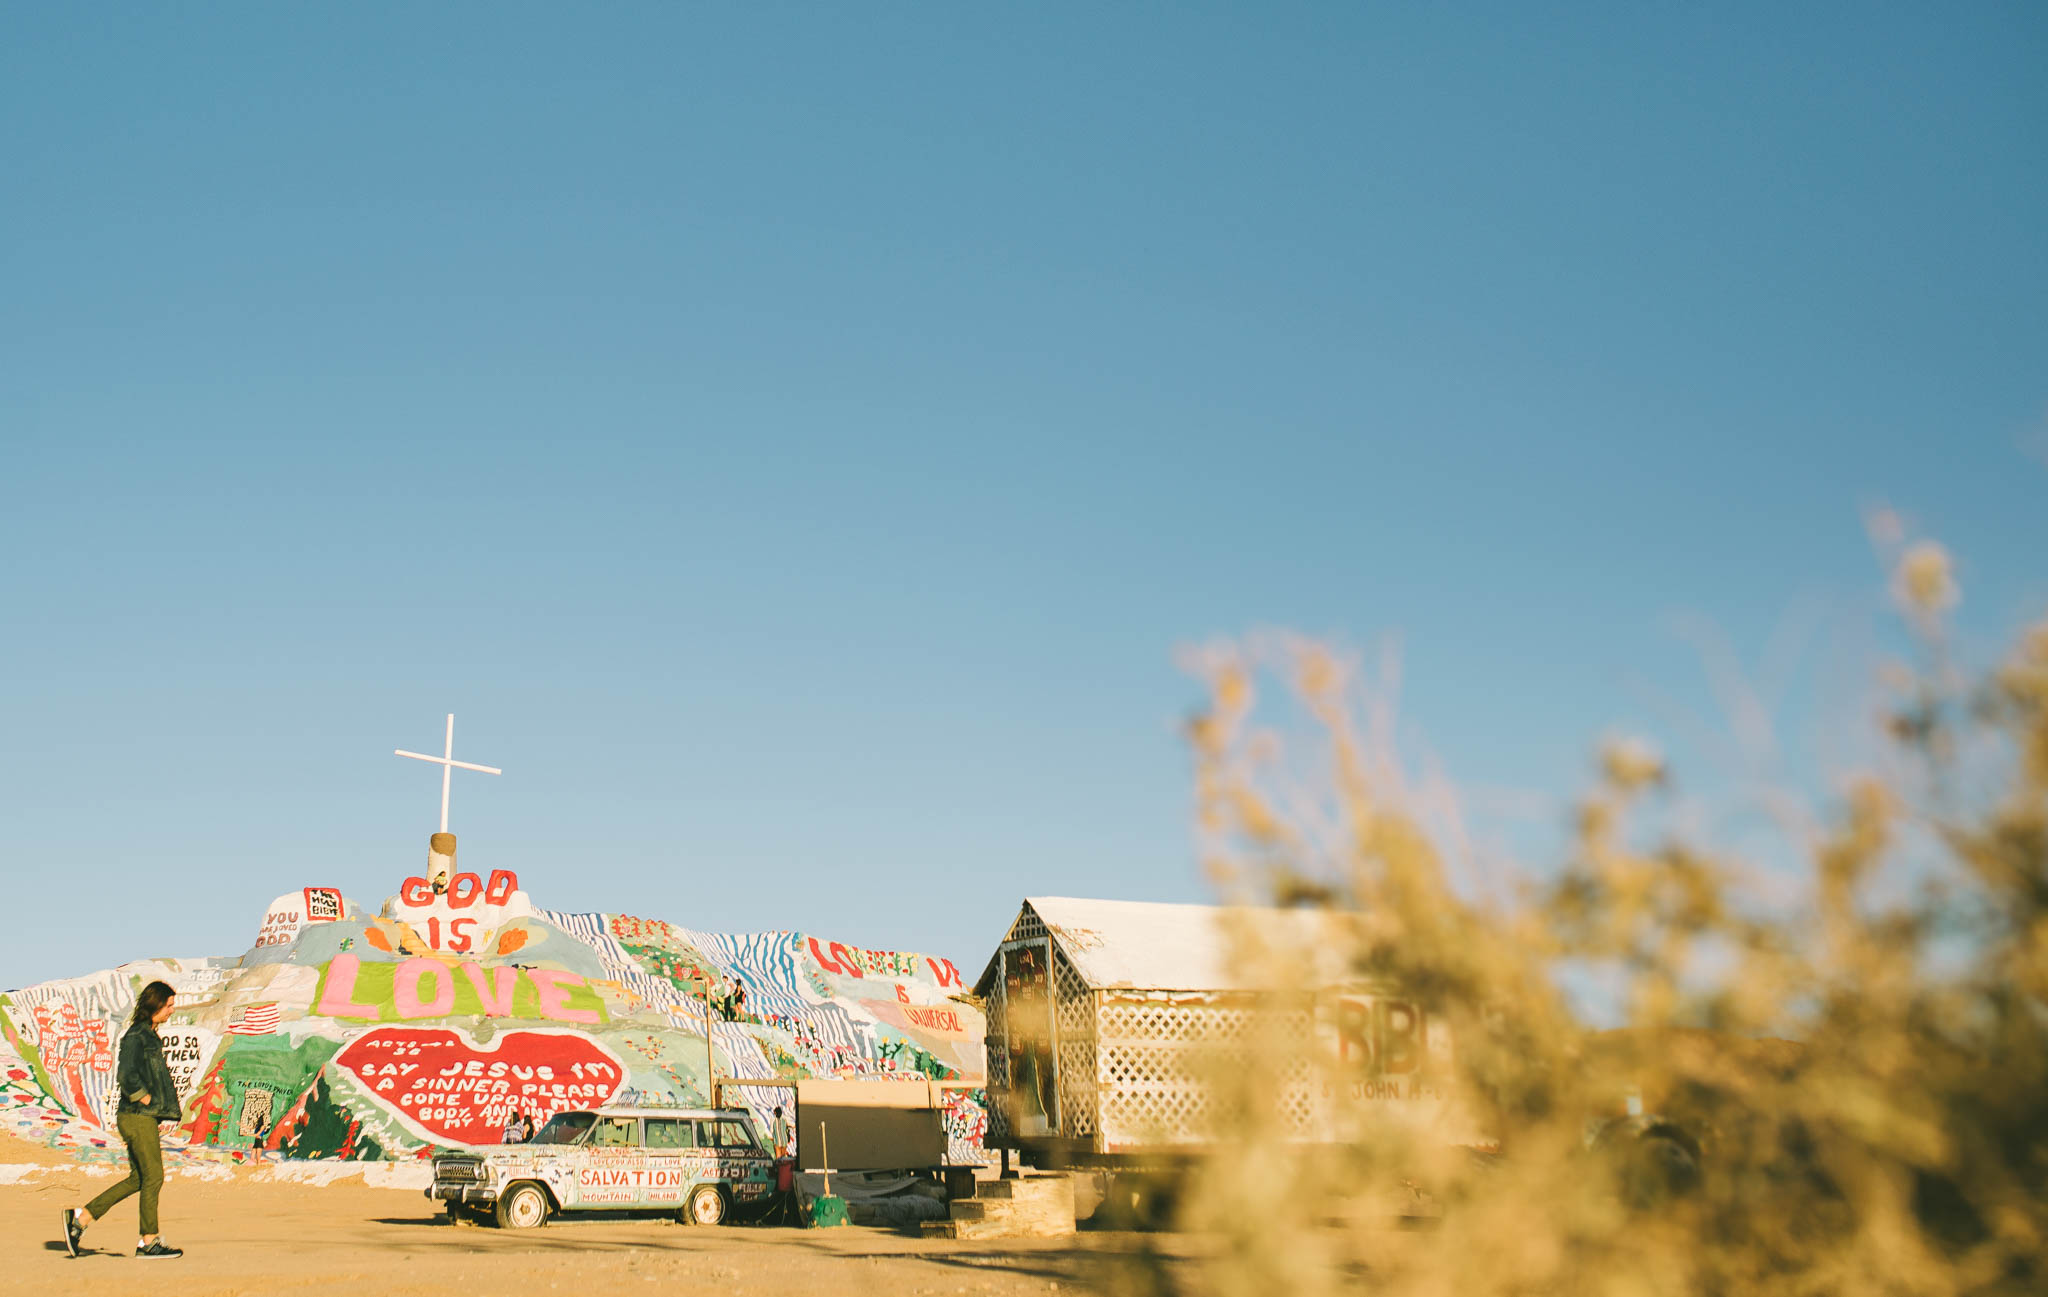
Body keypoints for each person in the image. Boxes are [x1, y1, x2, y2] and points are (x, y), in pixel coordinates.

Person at [63, 980, 183, 1259]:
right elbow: (126, 1074)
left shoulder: (150, 1034)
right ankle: (148, 1242)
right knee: (154, 1176)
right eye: (169, 1005)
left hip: (142, 1117)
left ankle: (80, 1218)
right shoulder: (137, 1035)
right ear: (156, 1005)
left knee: (139, 1179)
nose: (172, 1010)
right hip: (137, 1116)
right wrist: (145, 1098)